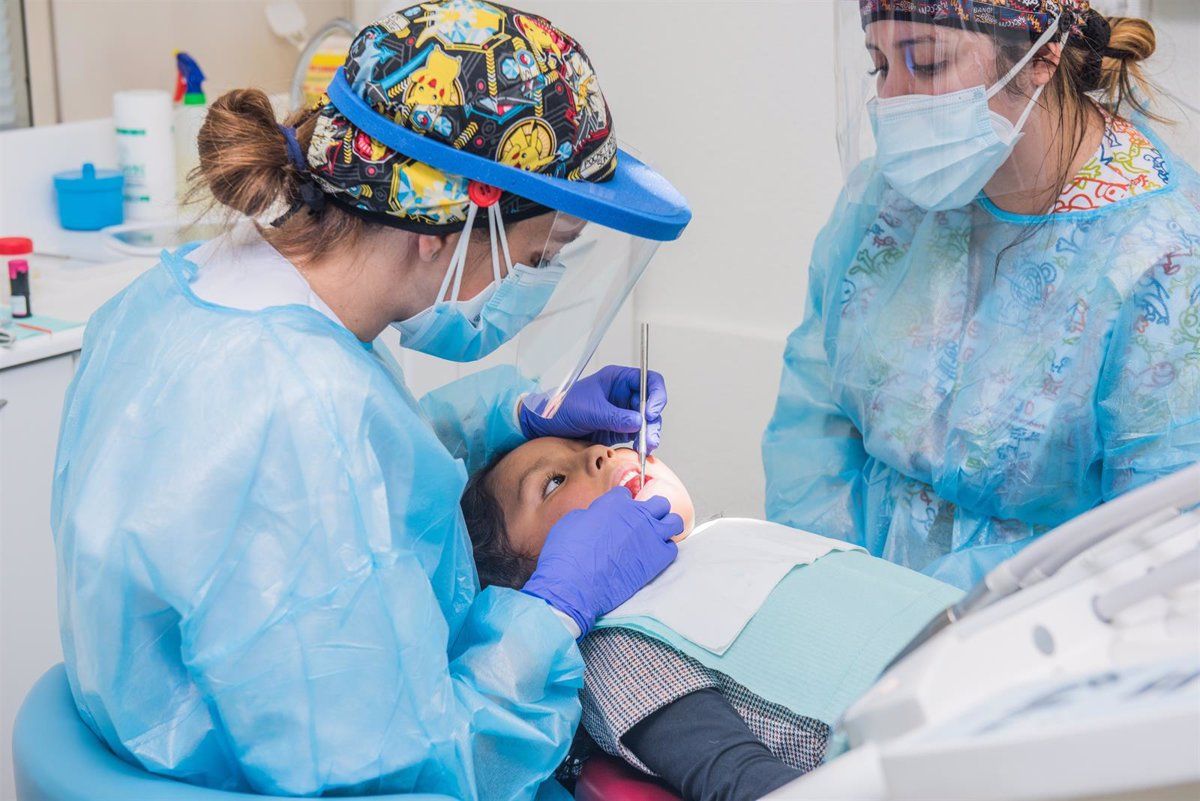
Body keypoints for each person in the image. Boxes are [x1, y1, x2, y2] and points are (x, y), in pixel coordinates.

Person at [51, 4, 691, 799]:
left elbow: (345, 484)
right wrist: (551, 615)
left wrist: (511, 417)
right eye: (539, 255)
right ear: (449, 224)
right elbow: (405, 776)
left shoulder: (199, 293)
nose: (536, 281)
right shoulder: (298, 407)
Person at [763, 0, 1200, 589]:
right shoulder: (890, 201)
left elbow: (1156, 538)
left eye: (927, 64)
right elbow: (815, 411)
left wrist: (941, 616)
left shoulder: (1164, 257)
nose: (893, 101)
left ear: (1041, 57)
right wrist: (825, 582)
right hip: (848, 604)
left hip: (1031, 641)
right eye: (879, 67)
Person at [461, 436, 962, 801]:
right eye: (552, 482)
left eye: (589, 442)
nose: (601, 453)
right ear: (530, 583)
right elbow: (740, 780)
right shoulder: (616, 647)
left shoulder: (735, 536)